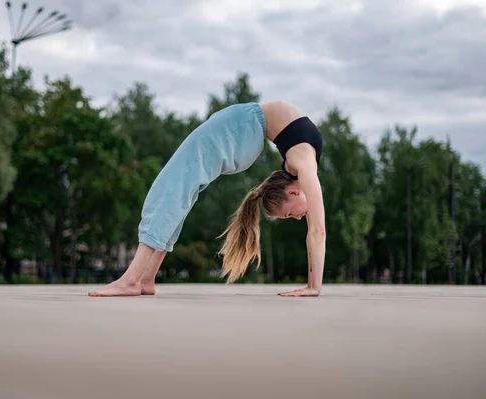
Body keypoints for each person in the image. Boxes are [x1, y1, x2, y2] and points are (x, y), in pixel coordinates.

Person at [88, 101, 326, 297]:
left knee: (173, 187)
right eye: (290, 214)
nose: (296, 217)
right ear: (293, 192)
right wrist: (313, 287)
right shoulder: (303, 165)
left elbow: (316, 231)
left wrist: (314, 286)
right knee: (180, 189)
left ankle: (133, 279)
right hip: (244, 128)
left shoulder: (300, 164)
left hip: (244, 129)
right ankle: (144, 279)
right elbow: (318, 231)